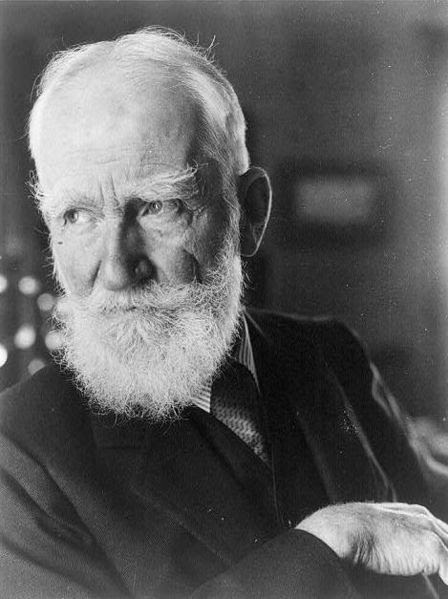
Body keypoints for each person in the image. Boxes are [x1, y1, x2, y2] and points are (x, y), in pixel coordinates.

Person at [0, 26, 447, 599]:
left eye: (158, 205)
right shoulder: (19, 457)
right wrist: (328, 543)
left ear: (250, 213)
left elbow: (429, 522)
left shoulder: (329, 353)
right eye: (76, 216)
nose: (115, 269)